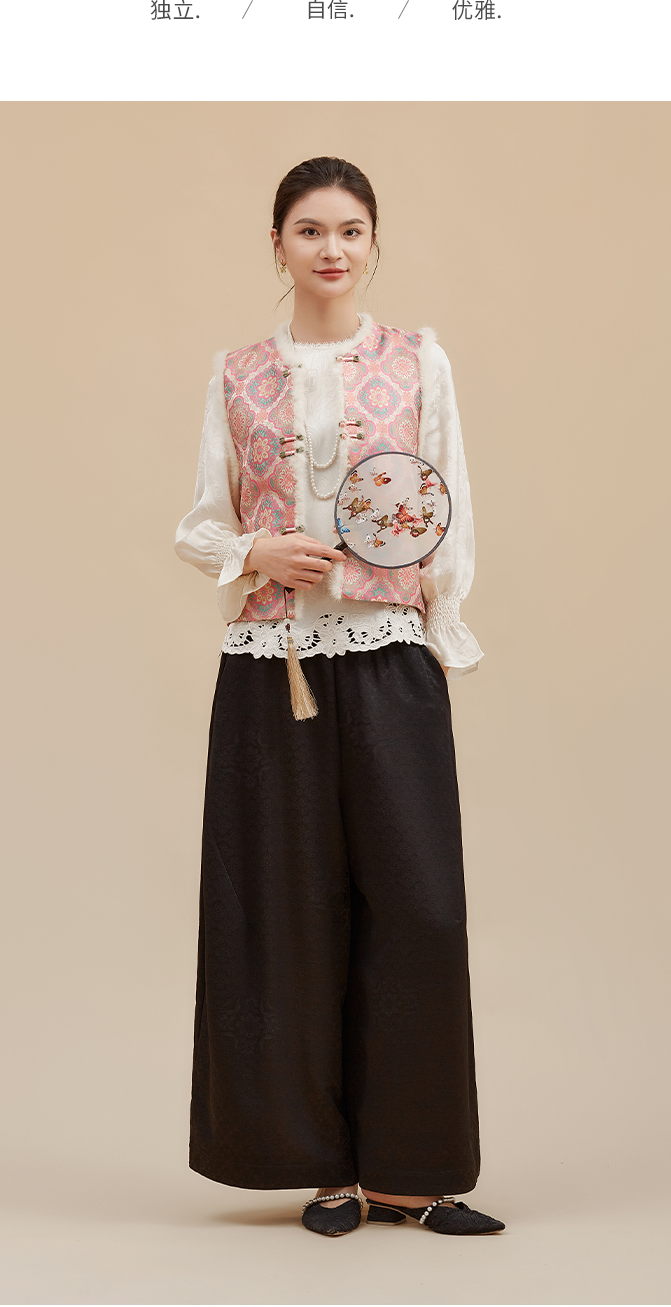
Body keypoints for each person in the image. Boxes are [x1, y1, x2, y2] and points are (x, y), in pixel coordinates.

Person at [174, 156, 504, 1239]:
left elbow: (450, 506)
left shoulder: (418, 358)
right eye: (309, 229)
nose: (331, 248)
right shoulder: (236, 374)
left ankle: (412, 1172)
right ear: (277, 244)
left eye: (350, 229)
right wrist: (254, 551)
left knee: (417, 906)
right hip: (272, 665)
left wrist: (439, 625)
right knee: (285, 910)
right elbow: (201, 519)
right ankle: (321, 1166)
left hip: (388, 651)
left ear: (372, 243)